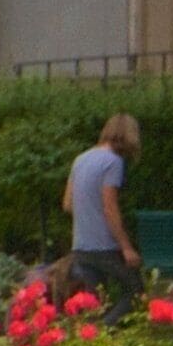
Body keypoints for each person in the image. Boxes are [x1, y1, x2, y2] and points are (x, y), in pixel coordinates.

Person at [62, 114, 144, 304]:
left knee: (95, 302)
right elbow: (110, 208)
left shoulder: (81, 159)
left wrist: (88, 214)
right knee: (135, 292)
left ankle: (94, 332)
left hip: (81, 244)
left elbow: (67, 204)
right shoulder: (113, 162)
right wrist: (127, 248)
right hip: (104, 246)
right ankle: (105, 327)